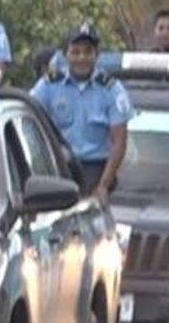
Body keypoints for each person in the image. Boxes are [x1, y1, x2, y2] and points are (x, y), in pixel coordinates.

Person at [31, 22, 132, 201]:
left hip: (95, 171)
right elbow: (29, 114)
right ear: (65, 54)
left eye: (88, 52)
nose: (82, 58)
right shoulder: (48, 86)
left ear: (97, 54)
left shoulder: (111, 89)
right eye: (75, 52)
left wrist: (103, 186)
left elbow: (119, 143)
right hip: (57, 169)